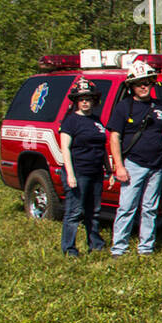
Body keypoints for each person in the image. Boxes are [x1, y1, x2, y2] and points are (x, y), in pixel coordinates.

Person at [107, 59, 162, 256]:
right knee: (127, 208)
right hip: (133, 165)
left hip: (157, 166)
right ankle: (119, 248)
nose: (144, 86)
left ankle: (146, 248)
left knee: (150, 209)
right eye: (139, 83)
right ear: (132, 86)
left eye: (147, 82)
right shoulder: (123, 107)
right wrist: (119, 166)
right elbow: (114, 137)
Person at [58, 76, 108, 256]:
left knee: (94, 211)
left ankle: (95, 244)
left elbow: (101, 147)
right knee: (74, 211)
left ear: (94, 100)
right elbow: (65, 148)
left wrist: (107, 170)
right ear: (76, 101)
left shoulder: (96, 120)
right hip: (78, 172)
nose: (85, 102)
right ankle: (69, 248)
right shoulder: (71, 121)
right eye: (81, 99)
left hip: (95, 172)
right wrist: (70, 175)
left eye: (88, 98)